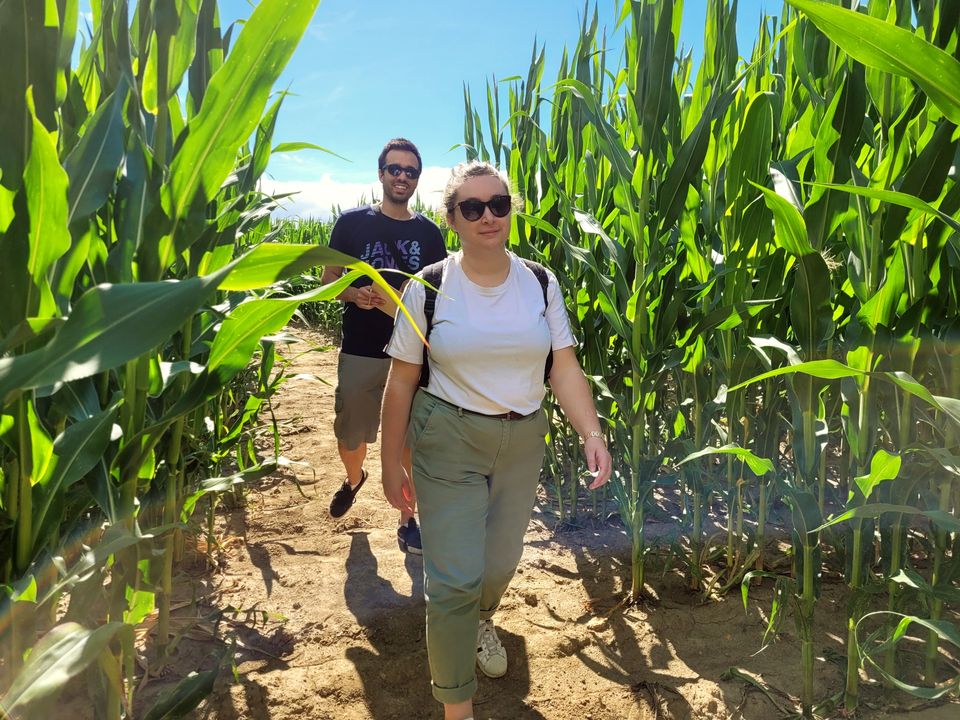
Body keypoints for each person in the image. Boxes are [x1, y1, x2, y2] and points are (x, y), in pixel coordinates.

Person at [380, 161, 612, 720]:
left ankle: (480, 618)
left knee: (501, 561)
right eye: (473, 207)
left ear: (512, 210)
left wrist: (591, 431)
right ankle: (457, 705)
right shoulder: (430, 286)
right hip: (448, 437)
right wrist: (391, 463)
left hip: (523, 436)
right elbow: (402, 379)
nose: (489, 216)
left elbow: (563, 365)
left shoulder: (540, 280)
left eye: (499, 204)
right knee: (454, 579)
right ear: (453, 218)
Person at [321, 138, 447, 555]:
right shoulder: (352, 223)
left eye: (411, 171)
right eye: (395, 169)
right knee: (352, 433)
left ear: (417, 179)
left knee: (411, 441)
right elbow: (328, 282)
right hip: (360, 348)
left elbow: (438, 296)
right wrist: (354, 295)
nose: (402, 177)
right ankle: (354, 478)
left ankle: (408, 521)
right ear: (380, 173)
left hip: (410, 354)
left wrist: (403, 305)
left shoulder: (429, 234)